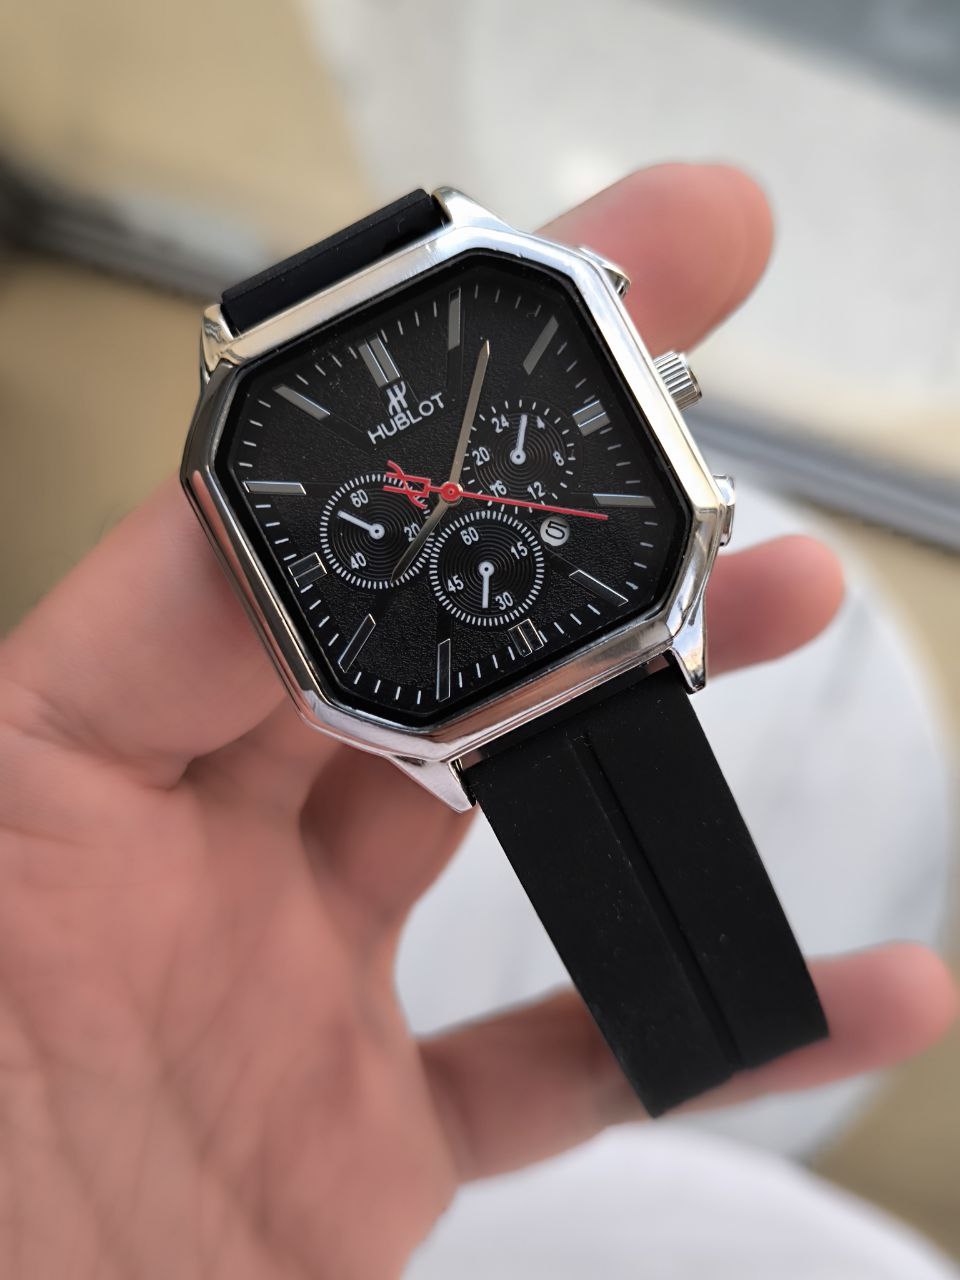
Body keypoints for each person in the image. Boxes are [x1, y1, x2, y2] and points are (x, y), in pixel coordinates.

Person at [0, 164, 954, 1279]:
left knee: (726, 1018)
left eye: (453, 479)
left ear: (659, 390)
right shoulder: (263, 436)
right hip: (461, 704)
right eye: (419, 495)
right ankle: (713, 1040)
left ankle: (723, 1034)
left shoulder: (507, 284)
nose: (447, 494)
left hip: (620, 621)